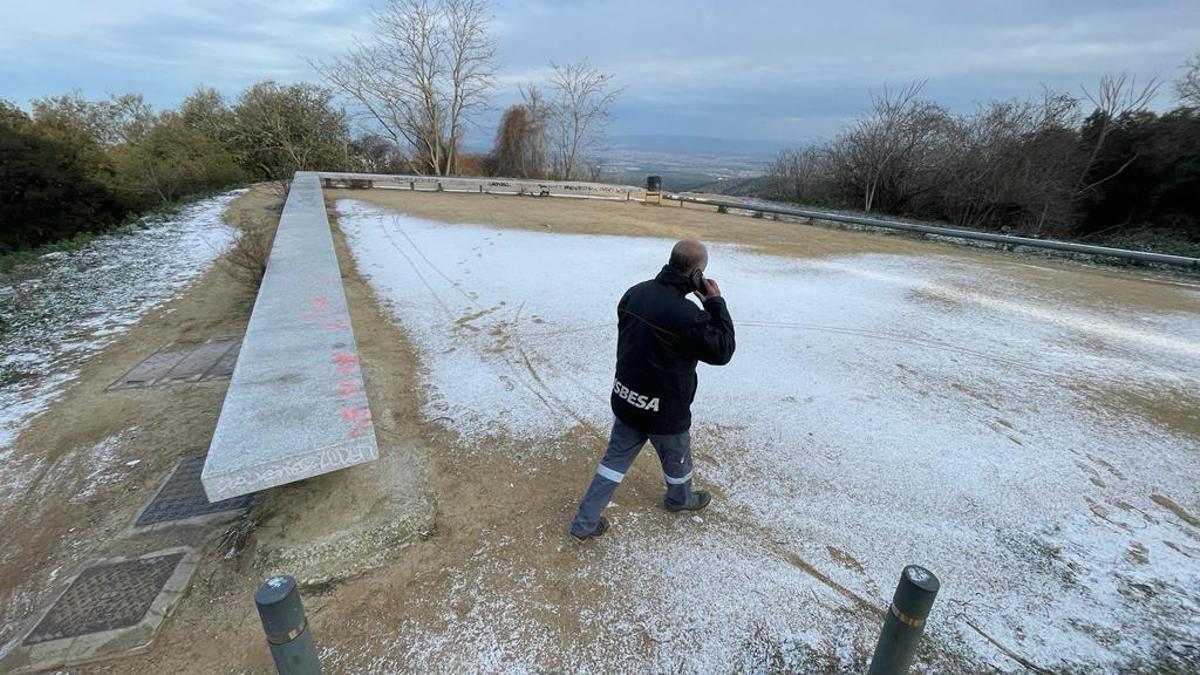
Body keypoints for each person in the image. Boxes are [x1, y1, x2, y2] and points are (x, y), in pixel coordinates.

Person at [570, 239, 736, 542]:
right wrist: (715, 303)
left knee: (613, 462)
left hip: (627, 398)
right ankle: (679, 499)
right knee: (677, 462)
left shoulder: (635, 293)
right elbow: (722, 351)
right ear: (697, 273)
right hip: (666, 411)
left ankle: (584, 523)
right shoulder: (688, 315)